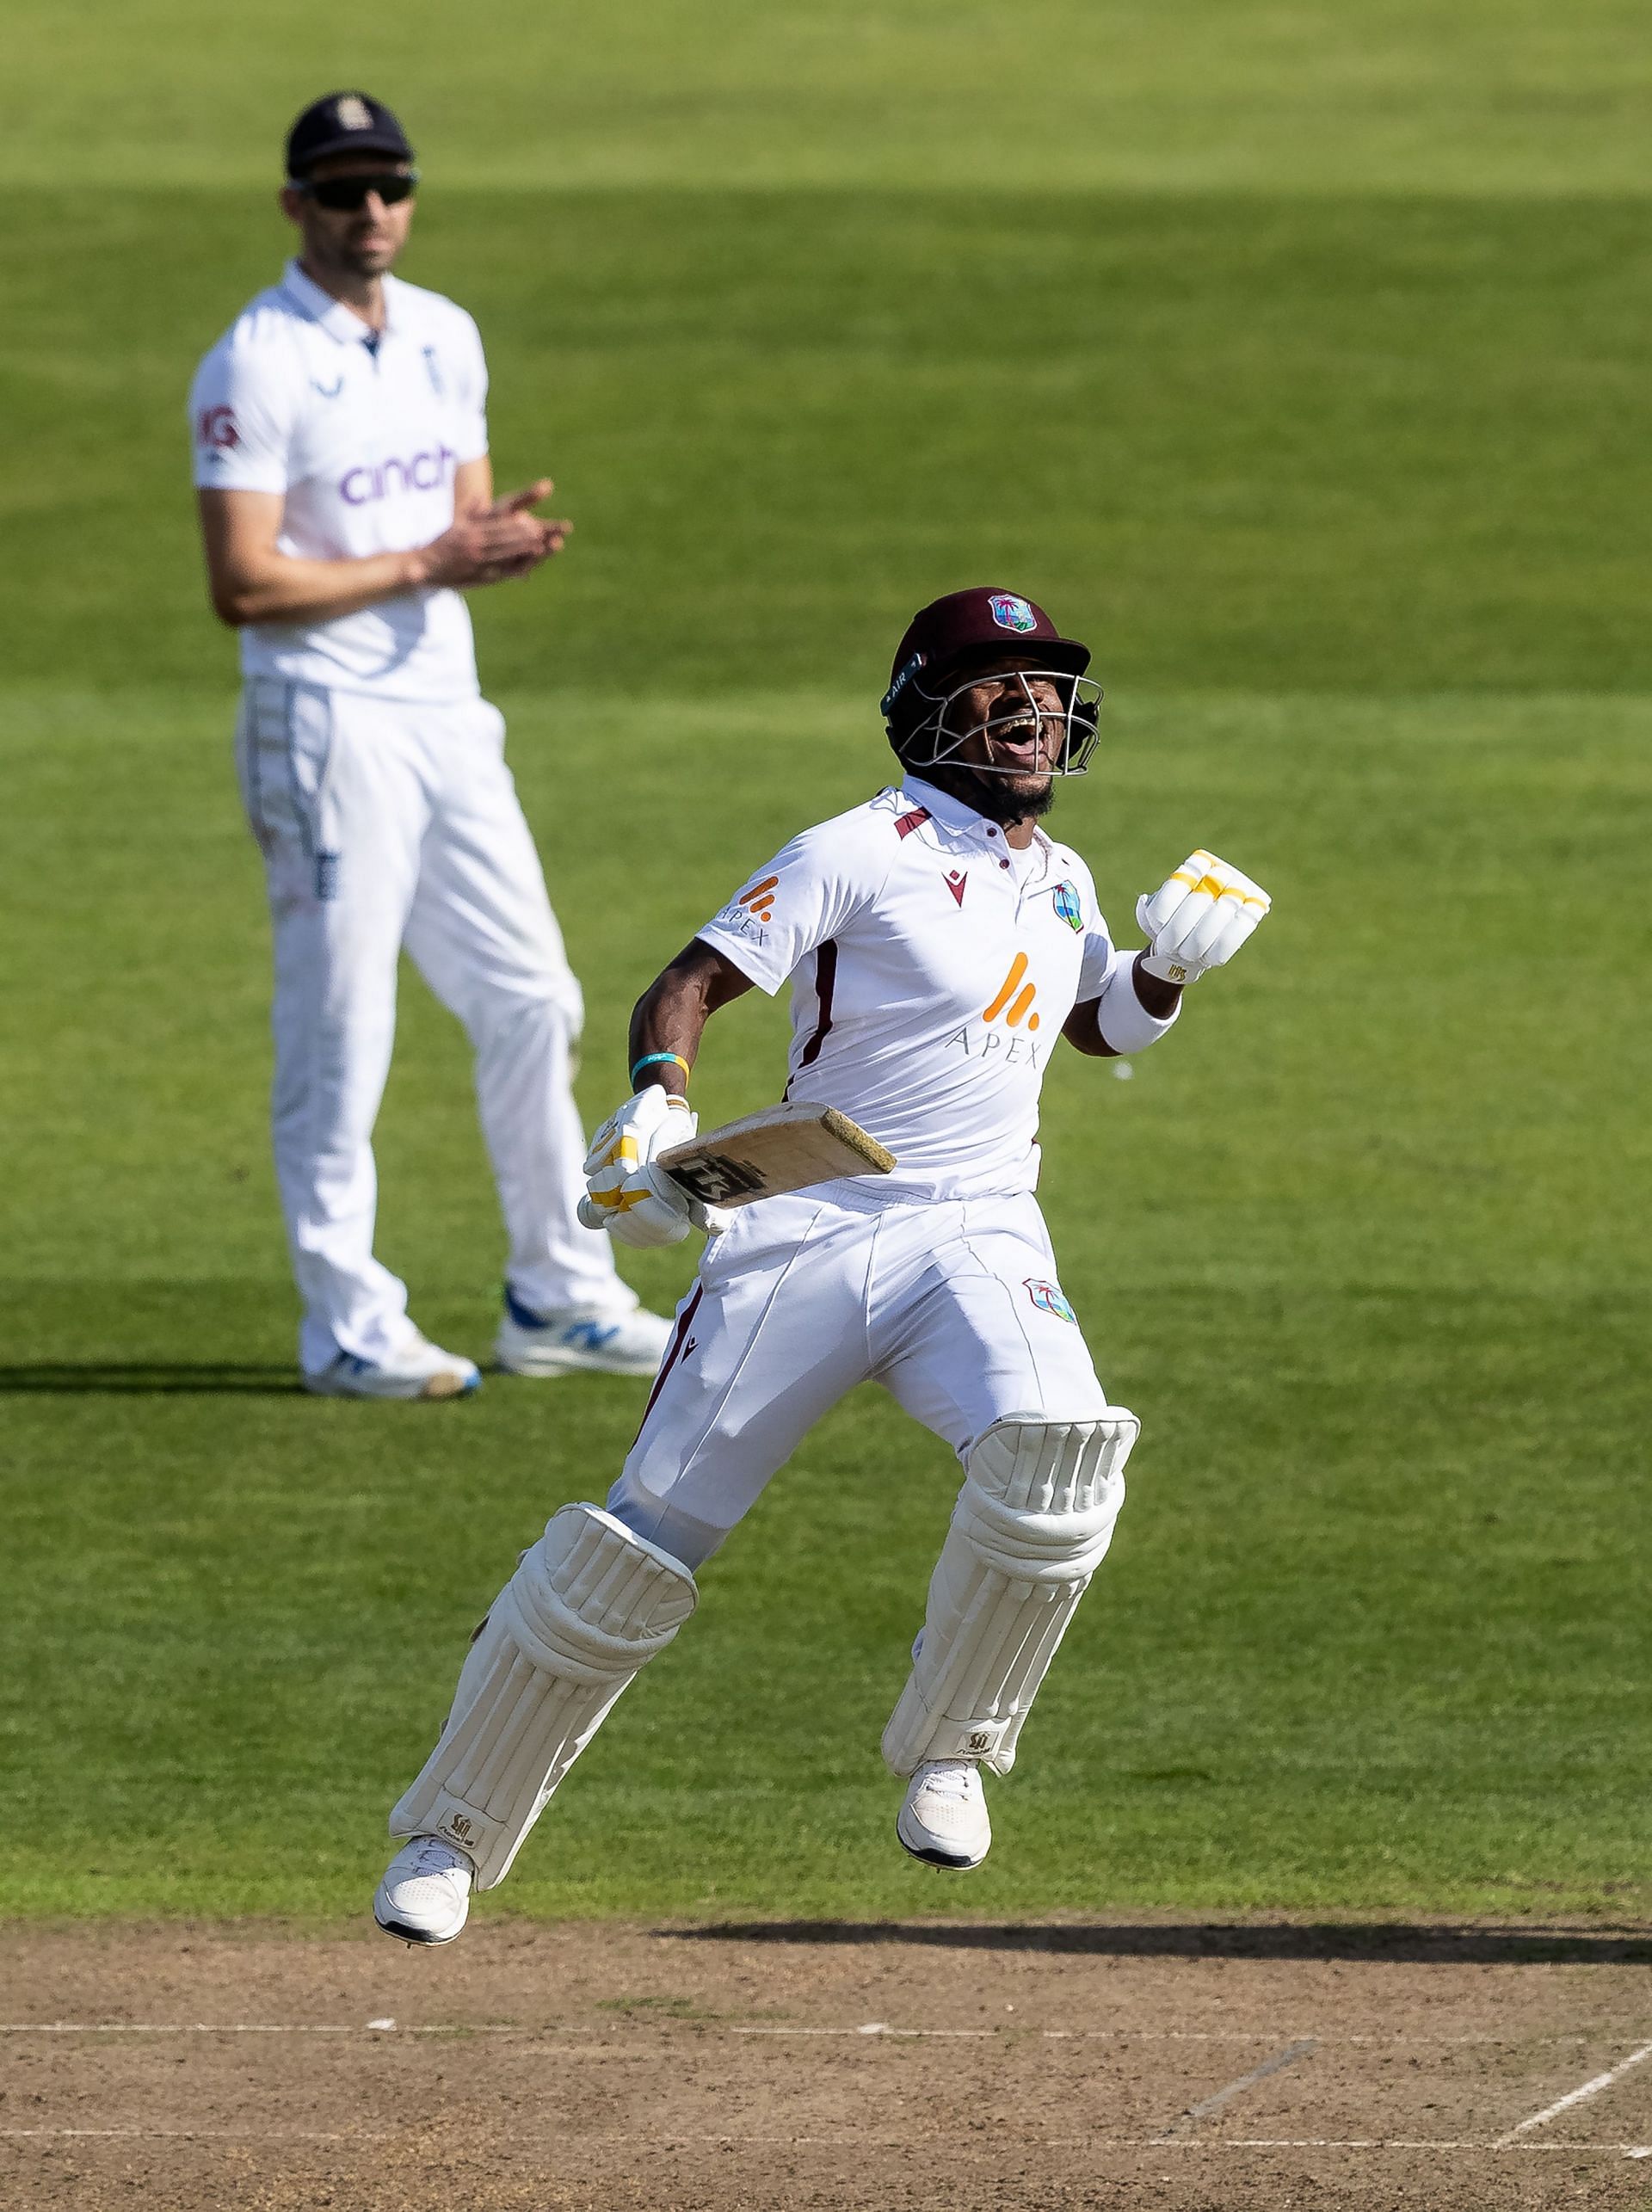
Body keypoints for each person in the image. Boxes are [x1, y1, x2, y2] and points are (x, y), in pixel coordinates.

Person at [372, 586, 1271, 1939]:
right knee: (639, 1548)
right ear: (924, 707)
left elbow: (1096, 1031)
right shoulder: (858, 847)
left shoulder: (1065, 875)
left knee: (1061, 1459)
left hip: (978, 1227)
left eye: (1045, 686)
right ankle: (448, 1834)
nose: (1031, 706)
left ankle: (955, 1745)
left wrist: (1167, 976)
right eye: (993, 682)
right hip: (811, 1223)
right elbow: (683, 982)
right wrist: (660, 1099)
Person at [188, 90, 670, 1398]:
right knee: (342, 1028)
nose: (370, 211)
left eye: (388, 186)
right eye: (340, 191)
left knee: (535, 998)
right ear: (296, 206)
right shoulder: (256, 362)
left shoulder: (446, 338)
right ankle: (347, 1325)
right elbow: (242, 583)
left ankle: (556, 1295)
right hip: (323, 722)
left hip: (449, 718)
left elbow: (463, 520)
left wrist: (493, 545)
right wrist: (435, 558)